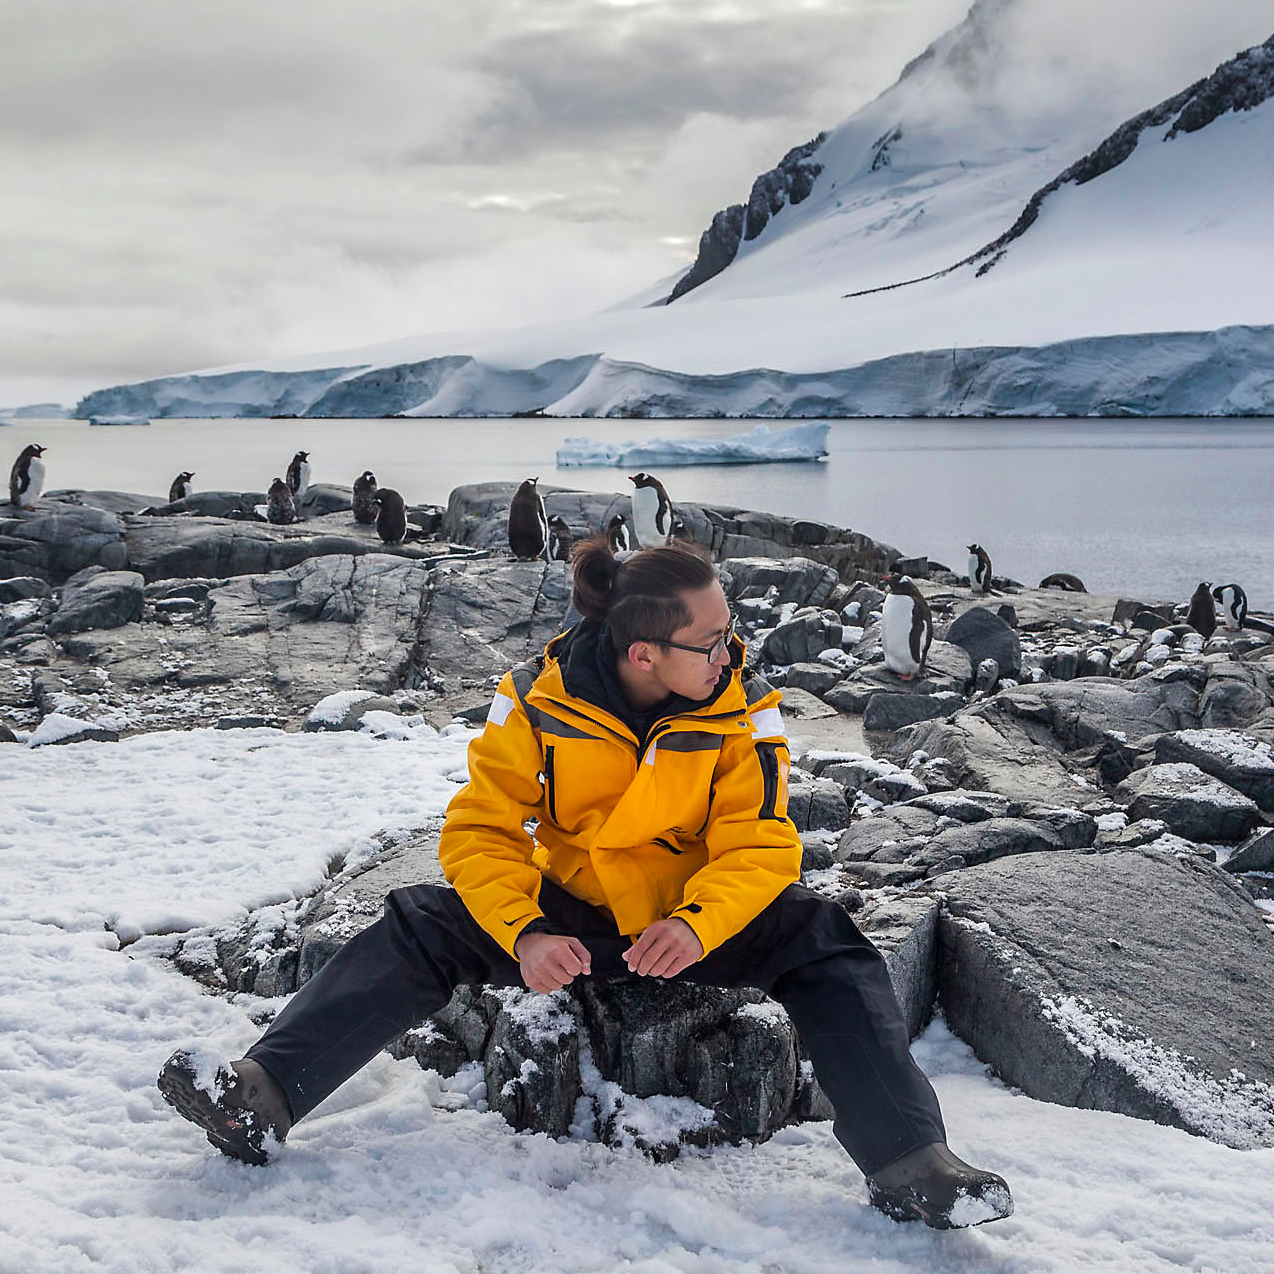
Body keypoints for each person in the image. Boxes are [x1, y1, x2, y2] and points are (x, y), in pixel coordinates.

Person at [158, 536, 1013, 1230]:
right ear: (644, 651)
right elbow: (481, 831)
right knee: (420, 921)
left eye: (728, 632)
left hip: (688, 919)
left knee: (825, 938)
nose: (731, 649)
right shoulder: (534, 696)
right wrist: (524, 932)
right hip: (573, 916)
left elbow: (760, 839)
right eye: (711, 639)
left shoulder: (742, 702)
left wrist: (702, 923)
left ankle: (911, 1163)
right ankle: (263, 1095)